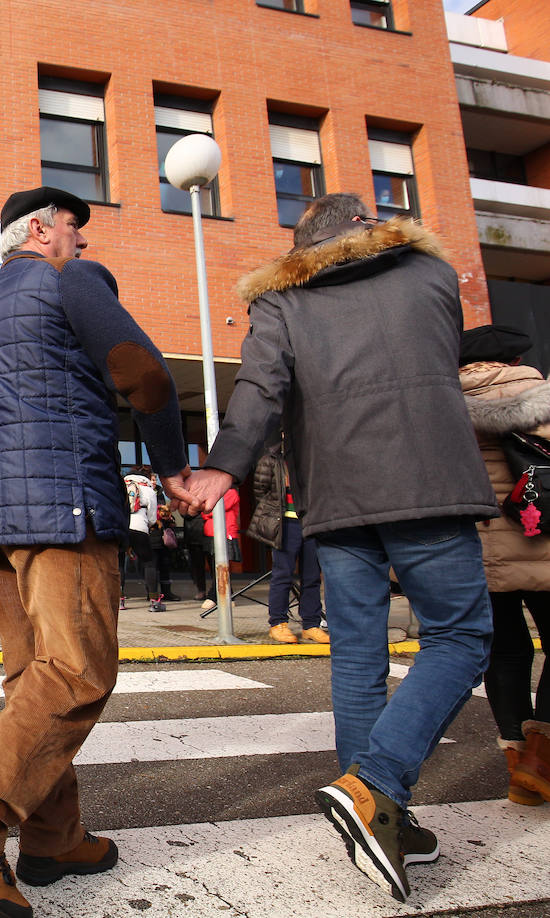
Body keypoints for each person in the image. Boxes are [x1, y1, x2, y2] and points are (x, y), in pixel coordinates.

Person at [186, 193, 496, 903]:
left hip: (337, 498)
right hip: (428, 483)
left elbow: (260, 389)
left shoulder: (282, 302)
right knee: (460, 636)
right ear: (361, 224)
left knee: (357, 654)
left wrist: (224, 463)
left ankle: (379, 817)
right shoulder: (427, 271)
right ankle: (376, 784)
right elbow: (443, 352)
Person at [0, 186, 191, 918]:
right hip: (64, 508)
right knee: (76, 671)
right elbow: (143, 370)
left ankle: (53, 838)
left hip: (0, 528)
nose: (84, 243)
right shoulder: (72, 281)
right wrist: (173, 468)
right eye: (76, 229)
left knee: (31, 680)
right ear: (40, 231)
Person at [458, 324, 550, 806]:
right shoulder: (538, 395)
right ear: (513, 360)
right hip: (540, 540)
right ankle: (541, 754)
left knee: (507, 650)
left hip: (476, 545)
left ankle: (518, 766)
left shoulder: (446, 406)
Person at [247, 440, 327, 644]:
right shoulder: (271, 459)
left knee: (312, 576)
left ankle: (311, 624)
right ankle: (278, 623)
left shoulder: (311, 456)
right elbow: (260, 491)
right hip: (285, 523)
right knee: (283, 574)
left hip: (309, 521)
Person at [124, 468, 166, 612]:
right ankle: (154, 600)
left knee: (118, 563)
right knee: (149, 562)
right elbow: (153, 518)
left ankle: (119, 600)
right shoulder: (148, 490)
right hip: (139, 528)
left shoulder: (122, 485)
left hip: (121, 528)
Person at [200, 487, 239, 610]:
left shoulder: (231, 492)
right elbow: (204, 510)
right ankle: (228, 594)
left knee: (222, 566)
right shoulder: (210, 492)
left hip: (225, 532)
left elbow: (213, 510)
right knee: (213, 566)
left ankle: (214, 596)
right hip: (210, 533)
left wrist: (207, 511)